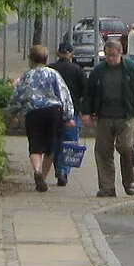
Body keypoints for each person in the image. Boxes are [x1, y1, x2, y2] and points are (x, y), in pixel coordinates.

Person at [80, 36, 134, 198]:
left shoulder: (131, 69)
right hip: (104, 117)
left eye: (113, 55)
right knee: (103, 152)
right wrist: (86, 112)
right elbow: (89, 93)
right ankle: (107, 187)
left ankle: (128, 181)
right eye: (108, 55)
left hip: (126, 116)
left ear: (120, 54)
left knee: (126, 148)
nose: (111, 59)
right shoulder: (98, 72)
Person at [6, 44, 74, 192]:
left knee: (35, 146)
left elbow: (18, 96)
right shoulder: (53, 74)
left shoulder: (26, 76)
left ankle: (37, 171)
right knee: (50, 148)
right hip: (53, 111)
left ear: (31, 58)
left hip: (33, 112)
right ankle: (42, 177)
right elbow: (64, 94)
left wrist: (12, 112)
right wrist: (68, 116)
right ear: (46, 58)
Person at [51, 49, 89, 187]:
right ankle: (63, 170)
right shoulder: (77, 70)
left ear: (57, 54)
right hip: (71, 112)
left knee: (55, 142)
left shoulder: (51, 69)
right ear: (71, 54)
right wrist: (84, 110)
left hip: (53, 111)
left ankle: (57, 168)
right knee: (69, 143)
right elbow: (85, 91)